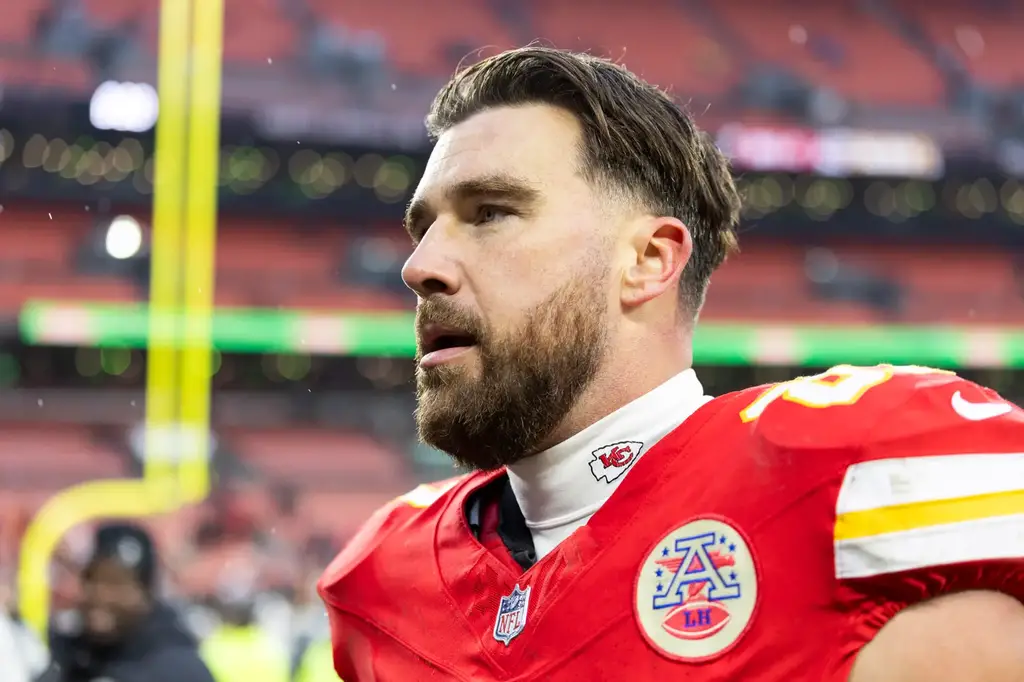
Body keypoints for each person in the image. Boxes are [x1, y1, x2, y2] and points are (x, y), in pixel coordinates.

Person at [318, 46, 1024, 680]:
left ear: (647, 261)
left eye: (492, 212)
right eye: (424, 228)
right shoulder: (381, 580)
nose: (420, 266)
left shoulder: (844, 469)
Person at [40, 522, 215, 682]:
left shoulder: (177, 668)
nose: (100, 595)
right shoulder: (69, 656)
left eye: (116, 585)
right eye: (92, 580)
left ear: (146, 593)